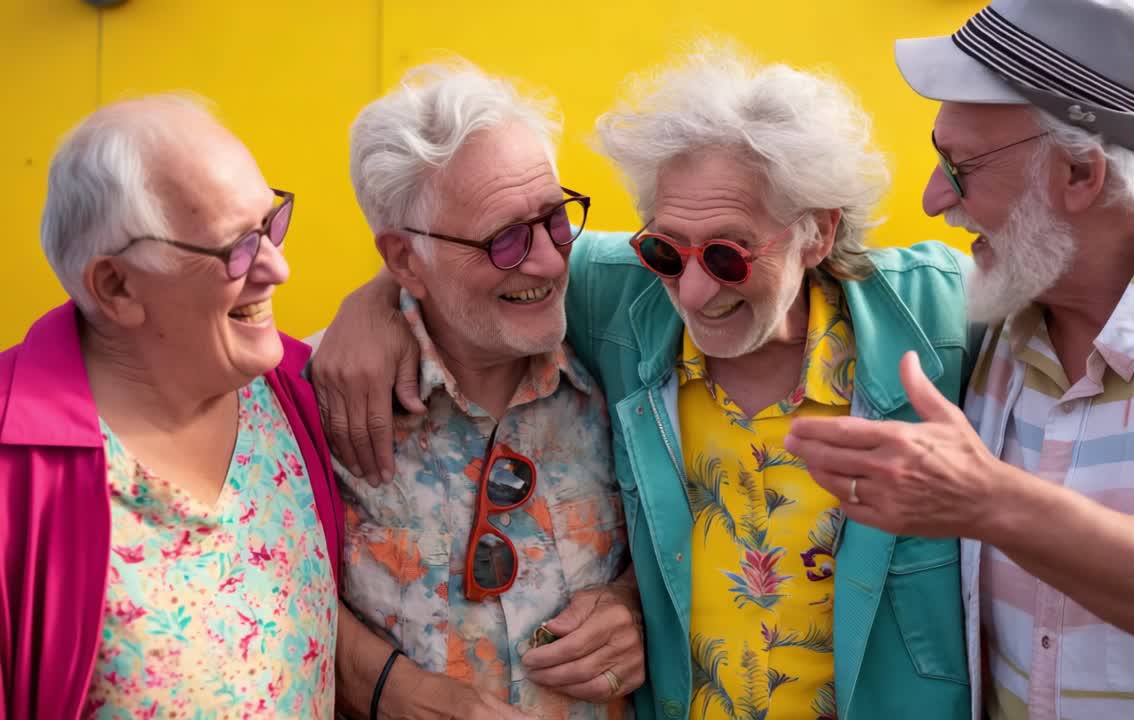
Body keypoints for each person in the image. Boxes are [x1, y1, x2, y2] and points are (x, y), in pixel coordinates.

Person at [312, 46, 980, 719]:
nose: (691, 290)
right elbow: (470, 250)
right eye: (665, 248)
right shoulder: (628, 302)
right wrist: (371, 304)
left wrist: (631, 601)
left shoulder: (936, 319)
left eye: (728, 253)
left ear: (816, 233)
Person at [785, 1, 1134, 717]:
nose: (932, 200)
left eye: (959, 168)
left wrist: (991, 502)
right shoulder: (1005, 311)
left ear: (1080, 174)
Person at [0, 96, 343, 718]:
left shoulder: (300, 394)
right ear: (117, 286)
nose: (278, 267)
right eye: (237, 248)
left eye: (272, 224)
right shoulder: (14, 461)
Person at [321, 62, 641, 720]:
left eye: (555, 218)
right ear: (406, 259)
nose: (550, 261)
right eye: (503, 241)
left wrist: (639, 605)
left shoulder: (628, 361)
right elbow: (258, 591)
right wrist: (384, 690)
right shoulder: (313, 403)